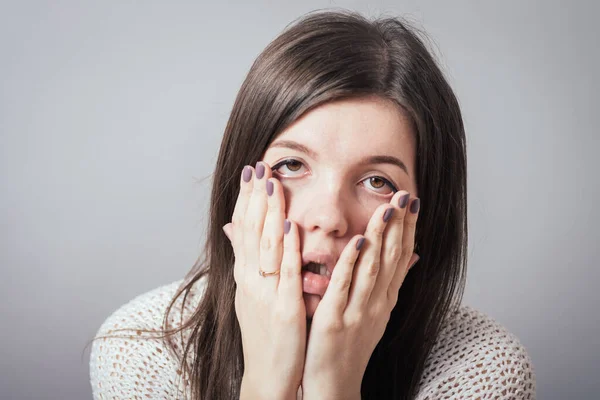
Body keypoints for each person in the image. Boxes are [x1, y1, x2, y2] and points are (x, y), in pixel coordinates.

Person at [89, 10, 536, 400]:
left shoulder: (479, 368)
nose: (328, 218)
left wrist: (333, 387)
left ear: (424, 214)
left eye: (376, 181)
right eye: (291, 165)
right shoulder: (144, 349)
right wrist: (267, 385)